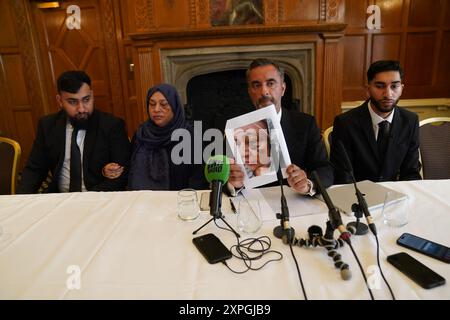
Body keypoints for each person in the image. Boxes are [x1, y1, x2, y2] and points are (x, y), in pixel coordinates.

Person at [228, 58, 333, 195]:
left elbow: (325, 169)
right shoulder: (235, 129)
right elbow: (219, 177)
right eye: (256, 85)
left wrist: (307, 183)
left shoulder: (305, 124)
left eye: (270, 83)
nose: (264, 91)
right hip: (252, 203)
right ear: (250, 92)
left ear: (282, 89)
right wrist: (232, 183)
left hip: (296, 202)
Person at [17, 71, 130, 193]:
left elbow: (121, 176)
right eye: (72, 102)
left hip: (98, 197)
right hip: (60, 197)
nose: (81, 108)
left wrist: (86, 199)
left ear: (92, 95)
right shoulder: (47, 126)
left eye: (86, 99)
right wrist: (20, 200)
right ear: (60, 101)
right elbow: (35, 170)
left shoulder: (112, 126)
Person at [330, 60, 422, 184]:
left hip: (395, 195)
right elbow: (343, 176)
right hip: (359, 197)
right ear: (368, 89)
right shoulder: (345, 123)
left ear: (402, 88)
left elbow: (411, 172)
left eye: (394, 86)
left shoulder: (410, 120)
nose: (388, 94)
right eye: (380, 86)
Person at [126, 84, 206, 190]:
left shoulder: (190, 135)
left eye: (163, 104)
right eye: (152, 104)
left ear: (174, 106)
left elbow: (199, 178)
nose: (156, 109)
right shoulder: (141, 134)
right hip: (143, 199)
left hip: (179, 200)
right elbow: (130, 170)